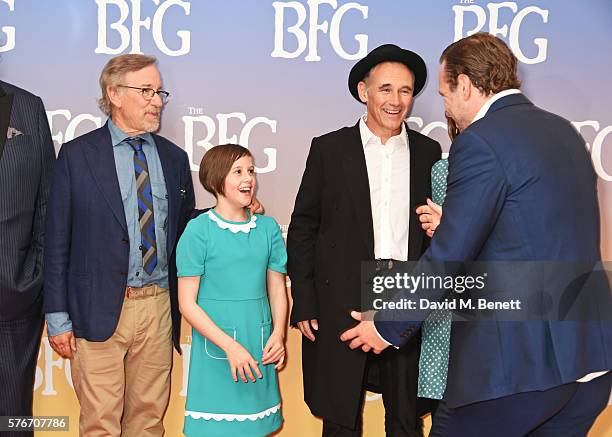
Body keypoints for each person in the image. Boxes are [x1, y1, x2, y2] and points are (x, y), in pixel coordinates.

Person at [340, 33, 612, 436]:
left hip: (516, 369)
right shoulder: (564, 133)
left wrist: (387, 325)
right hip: (590, 360)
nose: (445, 105)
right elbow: (532, 231)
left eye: (445, 92)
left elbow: (449, 256)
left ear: (464, 84)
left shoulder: (480, 141)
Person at [288, 44, 441, 436]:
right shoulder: (329, 149)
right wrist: (304, 300)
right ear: (363, 91)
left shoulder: (429, 152)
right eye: (385, 89)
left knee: (406, 417)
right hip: (341, 296)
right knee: (340, 419)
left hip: (406, 295)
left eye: (405, 91)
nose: (395, 100)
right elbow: (304, 227)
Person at [43, 54, 195, 436]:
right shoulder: (77, 156)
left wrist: (235, 209)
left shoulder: (174, 159)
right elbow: (56, 239)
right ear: (114, 93)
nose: (157, 100)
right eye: (146, 90)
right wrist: (57, 316)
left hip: (158, 308)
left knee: (148, 422)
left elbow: (183, 225)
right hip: (96, 309)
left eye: (159, 91)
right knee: (100, 425)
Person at [176, 144, 287, 436]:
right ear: (215, 180)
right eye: (237, 171)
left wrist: (278, 334)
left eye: (250, 170)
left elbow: (277, 289)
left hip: (259, 344)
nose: (248, 178)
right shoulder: (198, 231)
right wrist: (229, 346)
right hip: (218, 348)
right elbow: (187, 304)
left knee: (256, 429)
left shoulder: (268, 228)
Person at [0, 81, 55, 437]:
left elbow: (47, 202)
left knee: (12, 421)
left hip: (12, 296)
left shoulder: (26, 106)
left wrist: (32, 277)